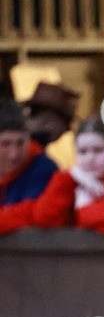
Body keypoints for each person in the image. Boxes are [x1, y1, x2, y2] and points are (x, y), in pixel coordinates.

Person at [0, 99, 58, 234]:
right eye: (5, 144)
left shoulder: (43, 169)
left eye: (20, 143)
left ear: (28, 139)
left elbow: (34, 212)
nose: (14, 154)